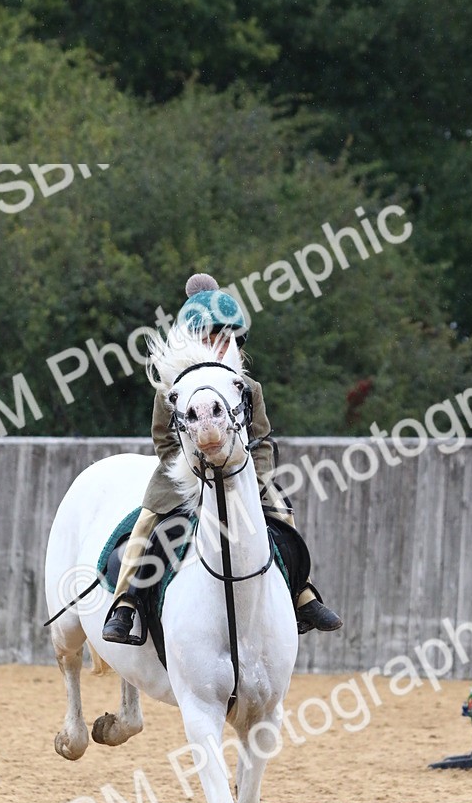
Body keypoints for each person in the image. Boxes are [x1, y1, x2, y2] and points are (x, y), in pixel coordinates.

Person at [102, 273, 343, 643]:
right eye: (205, 339)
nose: (215, 346)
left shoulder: (248, 388)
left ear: (234, 342)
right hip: (182, 478)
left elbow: (261, 438)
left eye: (222, 339)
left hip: (241, 475)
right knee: (147, 520)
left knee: (284, 510)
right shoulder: (170, 389)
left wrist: (256, 477)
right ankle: (126, 602)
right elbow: (163, 443)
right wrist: (193, 476)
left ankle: (304, 592)